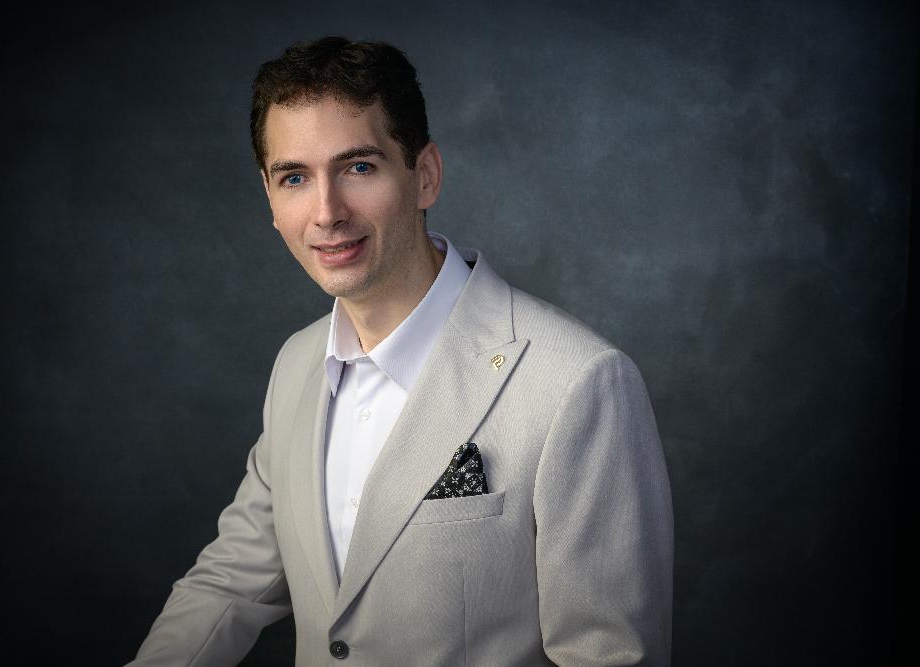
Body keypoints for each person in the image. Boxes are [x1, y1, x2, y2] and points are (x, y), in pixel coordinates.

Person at [130, 36, 673, 666]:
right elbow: (232, 580)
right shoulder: (296, 364)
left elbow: (609, 658)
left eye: (359, 167)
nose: (327, 212)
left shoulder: (580, 382)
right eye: (295, 177)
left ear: (426, 175)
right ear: (270, 199)